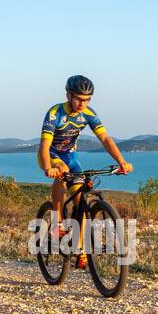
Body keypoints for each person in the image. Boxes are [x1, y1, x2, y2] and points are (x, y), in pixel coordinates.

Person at [38, 74, 133, 266]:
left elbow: (105, 139)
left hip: (71, 157)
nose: (83, 103)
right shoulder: (55, 113)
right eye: (79, 99)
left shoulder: (89, 114)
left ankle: (79, 249)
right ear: (68, 95)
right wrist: (49, 167)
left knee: (81, 197)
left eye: (87, 99)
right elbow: (44, 144)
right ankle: (56, 223)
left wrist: (122, 161)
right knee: (62, 170)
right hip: (50, 155)